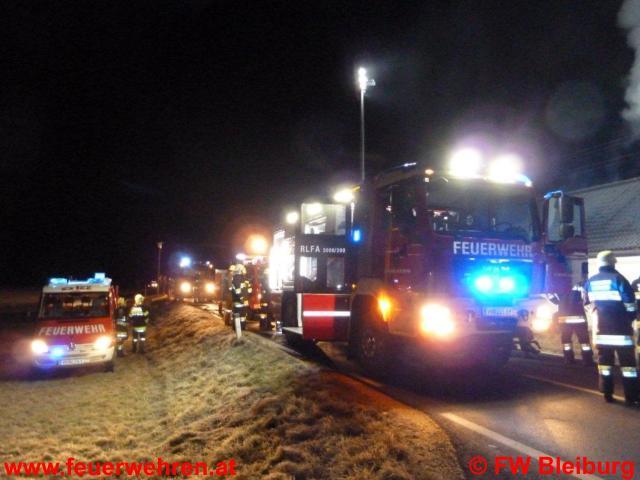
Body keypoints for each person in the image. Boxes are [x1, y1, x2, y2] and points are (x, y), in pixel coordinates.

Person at [584, 251, 638, 405]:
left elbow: (587, 304)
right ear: (613, 262)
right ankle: (631, 397)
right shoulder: (619, 279)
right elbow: (630, 305)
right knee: (628, 367)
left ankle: (607, 393)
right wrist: (629, 319)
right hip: (621, 331)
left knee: (605, 365)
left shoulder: (590, 282)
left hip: (601, 332)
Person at [553, 282, 594, 366]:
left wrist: (559, 302)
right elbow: (586, 299)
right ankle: (587, 360)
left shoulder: (559, 283)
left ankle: (568, 359)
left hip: (564, 317)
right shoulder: (580, 285)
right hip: (578, 317)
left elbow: (550, 295)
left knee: (566, 340)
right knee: (584, 341)